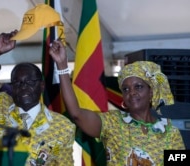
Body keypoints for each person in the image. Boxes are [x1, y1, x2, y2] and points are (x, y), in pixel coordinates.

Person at [49, 40, 185, 165]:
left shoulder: (169, 133)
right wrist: (62, 66)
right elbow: (76, 114)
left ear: (151, 92)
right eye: (126, 89)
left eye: (138, 87)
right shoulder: (112, 123)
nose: (132, 92)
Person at [0, 31, 76, 166]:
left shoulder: (63, 127)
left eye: (30, 82)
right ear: (12, 86)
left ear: (41, 86)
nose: (23, 87)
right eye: (17, 83)